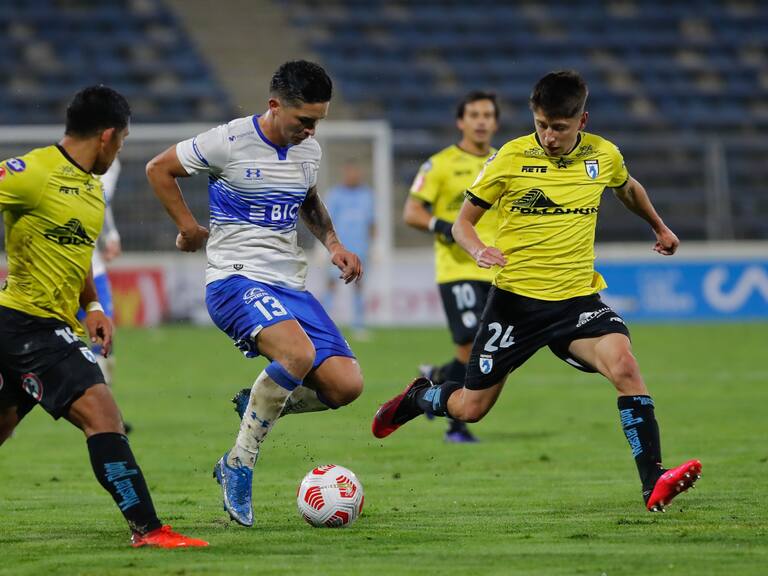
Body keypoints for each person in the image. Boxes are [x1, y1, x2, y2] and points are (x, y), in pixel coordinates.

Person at [372, 71, 701, 513]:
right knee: (470, 409)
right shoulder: (510, 157)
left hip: (577, 303)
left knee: (624, 365)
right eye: (541, 125)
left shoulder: (603, 155)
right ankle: (419, 396)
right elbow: (463, 223)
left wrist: (659, 226)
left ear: (582, 121)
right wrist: (479, 250)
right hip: (515, 306)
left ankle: (654, 481)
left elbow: (627, 187)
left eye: (559, 127)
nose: (548, 136)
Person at [146, 60, 364, 528]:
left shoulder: (309, 151)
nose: (311, 131)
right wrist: (188, 228)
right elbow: (159, 168)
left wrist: (334, 244)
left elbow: (308, 201)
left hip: (289, 284)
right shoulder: (228, 141)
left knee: (346, 386)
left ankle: (259, 401)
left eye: (318, 122)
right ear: (274, 105)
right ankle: (239, 463)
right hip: (234, 279)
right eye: (304, 120)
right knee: (297, 355)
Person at [0, 86, 207, 548]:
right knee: (103, 414)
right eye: (122, 142)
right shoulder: (32, 172)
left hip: (37, 325)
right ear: (107, 136)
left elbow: (77, 258)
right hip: (28, 323)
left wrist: (92, 306)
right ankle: (148, 529)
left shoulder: (92, 190)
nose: (119, 152)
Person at [403, 91, 500, 443]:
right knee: (473, 345)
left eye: (487, 115)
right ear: (461, 122)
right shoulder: (440, 164)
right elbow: (412, 211)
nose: (481, 121)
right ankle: (455, 425)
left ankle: (438, 377)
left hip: (498, 271)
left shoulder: (504, 162)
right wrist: (443, 226)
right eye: (474, 115)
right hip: (458, 270)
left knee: (495, 350)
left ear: (495, 122)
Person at [76, 159, 128, 429]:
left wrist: (111, 234)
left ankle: (107, 413)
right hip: (58, 271)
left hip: (93, 270)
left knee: (105, 335)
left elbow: (100, 202)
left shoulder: (112, 162)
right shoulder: (64, 162)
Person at [323, 160, 374, 339]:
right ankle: (324, 323)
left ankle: (358, 324)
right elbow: (325, 222)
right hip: (338, 248)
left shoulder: (367, 195)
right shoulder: (335, 195)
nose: (353, 176)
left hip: (360, 248)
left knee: (359, 284)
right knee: (331, 283)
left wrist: (375, 245)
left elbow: (372, 222)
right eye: (350, 172)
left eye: (356, 172)